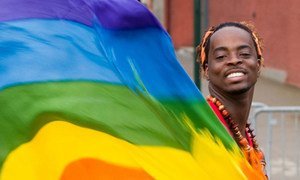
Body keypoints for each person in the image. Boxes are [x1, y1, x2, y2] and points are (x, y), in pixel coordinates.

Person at [197, 21, 267, 178]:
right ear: (207, 70)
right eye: (221, 56)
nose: (234, 60)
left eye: (244, 54)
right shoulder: (204, 130)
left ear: (258, 64)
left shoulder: (244, 134)